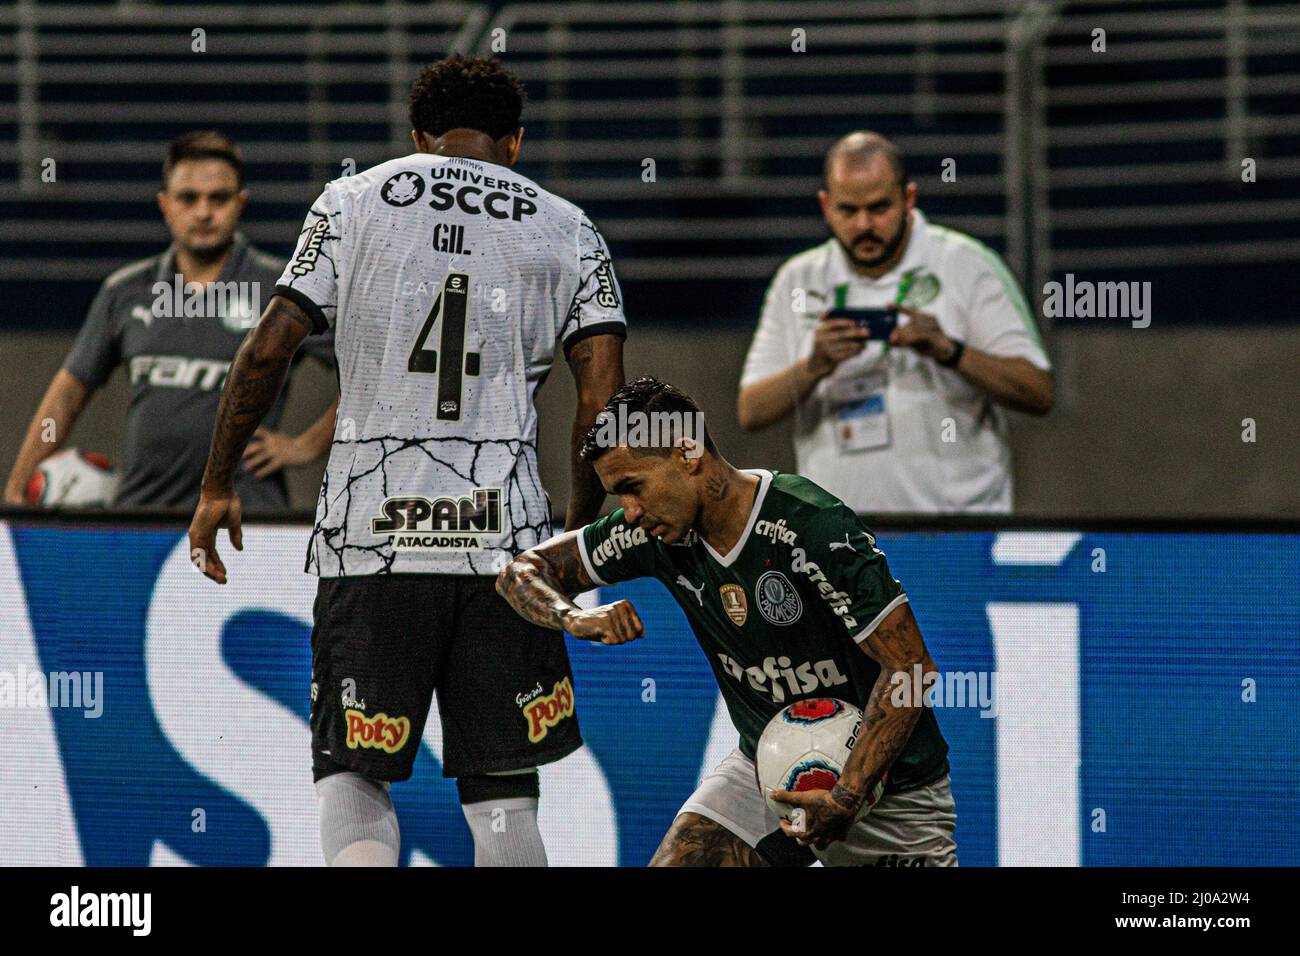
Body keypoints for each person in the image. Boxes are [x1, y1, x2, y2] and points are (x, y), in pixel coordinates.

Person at [187, 55, 627, 867]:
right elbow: (603, 403)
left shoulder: (353, 202)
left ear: (418, 137)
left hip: (372, 541)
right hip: (508, 553)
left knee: (355, 775)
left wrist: (216, 482)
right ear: (516, 143)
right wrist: (576, 538)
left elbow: (267, 349)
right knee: (502, 798)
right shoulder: (571, 229)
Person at [497, 378, 956, 867]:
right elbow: (521, 572)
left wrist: (848, 795)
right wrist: (574, 616)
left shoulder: (810, 526)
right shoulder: (654, 537)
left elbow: (910, 668)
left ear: (687, 453)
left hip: (891, 789)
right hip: (766, 771)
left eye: (633, 488)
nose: (628, 513)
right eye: (617, 495)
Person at [3, 131, 337, 511]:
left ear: (241, 202)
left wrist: (306, 445)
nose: (204, 212)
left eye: (219, 198)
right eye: (188, 198)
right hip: (143, 517)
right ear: (165, 205)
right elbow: (68, 391)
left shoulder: (282, 289)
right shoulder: (126, 291)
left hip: (246, 522)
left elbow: (364, 367)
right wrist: (15, 495)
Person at [737, 131, 1053, 514]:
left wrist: (950, 351)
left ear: (909, 199)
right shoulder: (797, 279)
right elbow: (751, 411)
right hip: (841, 542)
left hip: (957, 534)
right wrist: (814, 367)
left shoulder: (967, 264)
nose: (864, 225)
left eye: (879, 207)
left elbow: (1038, 391)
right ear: (825, 206)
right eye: (847, 211)